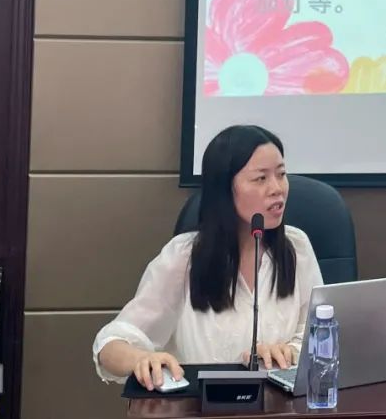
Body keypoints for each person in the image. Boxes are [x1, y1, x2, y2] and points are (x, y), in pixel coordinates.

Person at [93, 125, 323, 389]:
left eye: (281, 175)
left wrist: (290, 352)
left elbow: (318, 333)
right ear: (224, 189)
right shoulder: (183, 257)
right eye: (261, 178)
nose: (277, 189)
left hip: (278, 405)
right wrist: (141, 359)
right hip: (198, 406)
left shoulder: (296, 247)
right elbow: (111, 343)